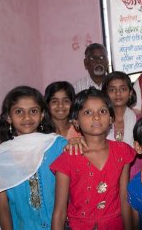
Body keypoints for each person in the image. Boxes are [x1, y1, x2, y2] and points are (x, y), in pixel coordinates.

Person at [0, 86, 67, 229]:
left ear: (42, 115)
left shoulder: (58, 145)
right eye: (19, 111)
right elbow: (2, 207)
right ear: (8, 117)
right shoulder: (1, 157)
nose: (26, 117)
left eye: (33, 111)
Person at [50, 87, 136, 229]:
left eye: (102, 111)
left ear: (111, 119)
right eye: (88, 112)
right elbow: (59, 211)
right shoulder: (69, 156)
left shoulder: (122, 152)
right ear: (76, 121)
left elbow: (125, 199)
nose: (96, 117)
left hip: (114, 225)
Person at [102, 71, 137, 147]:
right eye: (112, 90)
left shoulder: (138, 119)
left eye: (123, 89)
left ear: (130, 93)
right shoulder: (99, 118)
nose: (118, 93)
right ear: (105, 93)